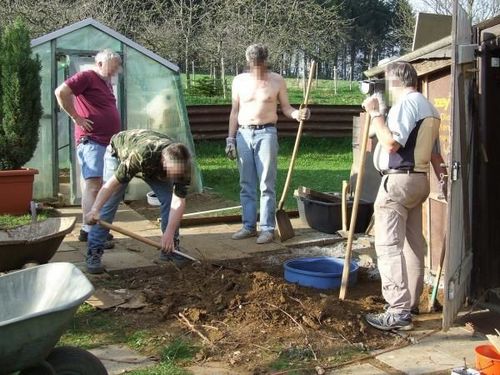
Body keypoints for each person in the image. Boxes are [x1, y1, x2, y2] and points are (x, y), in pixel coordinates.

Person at [362, 61, 446, 331]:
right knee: (412, 245)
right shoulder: (429, 108)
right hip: (419, 181)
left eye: (387, 82)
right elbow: (435, 155)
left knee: (388, 247)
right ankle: (409, 304)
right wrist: (443, 182)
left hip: (398, 182)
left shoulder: (406, 105)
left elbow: (391, 143)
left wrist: (375, 115)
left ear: (395, 81)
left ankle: (398, 312)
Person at [226, 43, 310, 244]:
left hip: (267, 134)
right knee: (246, 184)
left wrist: (298, 114)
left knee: (266, 184)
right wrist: (230, 139)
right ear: (248, 61)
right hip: (243, 135)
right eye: (254, 63)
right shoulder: (239, 81)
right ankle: (248, 227)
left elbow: (287, 108)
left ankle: (267, 229)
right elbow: (234, 112)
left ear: (265, 61)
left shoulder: (276, 80)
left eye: (260, 63)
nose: (257, 67)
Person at [84, 129, 192, 274]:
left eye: (177, 174)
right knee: (110, 202)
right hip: (120, 152)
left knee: (168, 198)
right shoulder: (141, 156)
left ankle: (170, 249)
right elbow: (109, 186)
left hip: (152, 164)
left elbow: (177, 201)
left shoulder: (182, 165)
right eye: (173, 173)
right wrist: (95, 209)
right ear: (163, 162)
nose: (175, 177)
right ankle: (94, 252)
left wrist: (169, 233)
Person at [54, 49, 122, 246]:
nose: (114, 72)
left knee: (99, 185)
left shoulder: (105, 82)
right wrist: (76, 117)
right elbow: (61, 92)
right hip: (92, 140)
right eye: (112, 68)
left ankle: (91, 227)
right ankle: (90, 229)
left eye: (116, 68)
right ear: (99, 63)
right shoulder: (87, 76)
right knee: (93, 185)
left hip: (107, 142)